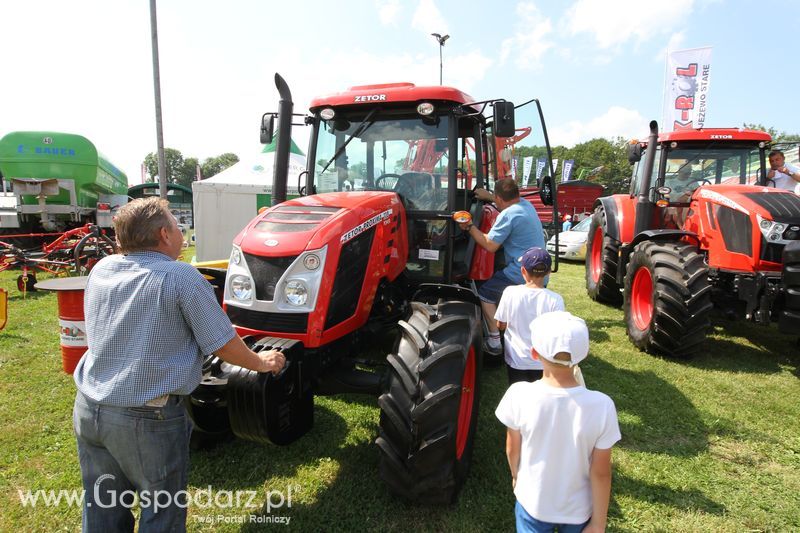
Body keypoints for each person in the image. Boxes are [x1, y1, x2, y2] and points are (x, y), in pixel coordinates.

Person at [72, 197, 286, 532]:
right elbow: (224, 345)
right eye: (176, 225)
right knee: (163, 514)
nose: (182, 233)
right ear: (163, 234)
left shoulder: (102, 269)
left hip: (89, 408)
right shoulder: (181, 277)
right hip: (147, 418)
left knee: (103, 508)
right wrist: (261, 361)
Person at [496, 311, 621, 533]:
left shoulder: (518, 394)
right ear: (584, 354)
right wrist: (598, 524)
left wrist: (517, 476)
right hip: (578, 509)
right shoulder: (603, 406)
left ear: (534, 353)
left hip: (532, 501)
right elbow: (601, 472)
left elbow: (512, 448)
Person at [459, 179, 544, 356]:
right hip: (540, 269)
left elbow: (490, 245)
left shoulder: (509, 215)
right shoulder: (525, 205)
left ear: (499, 197)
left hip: (521, 271)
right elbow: (505, 200)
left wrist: (469, 226)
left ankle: (494, 341)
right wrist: (488, 196)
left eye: (495, 198)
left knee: (485, 295)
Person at [495, 247, 564, 385]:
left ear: (523, 271)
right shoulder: (556, 299)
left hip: (516, 360)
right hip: (543, 361)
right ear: (549, 272)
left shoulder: (510, 292)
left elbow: (500, 324)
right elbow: (558, 332)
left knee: (518, 393)